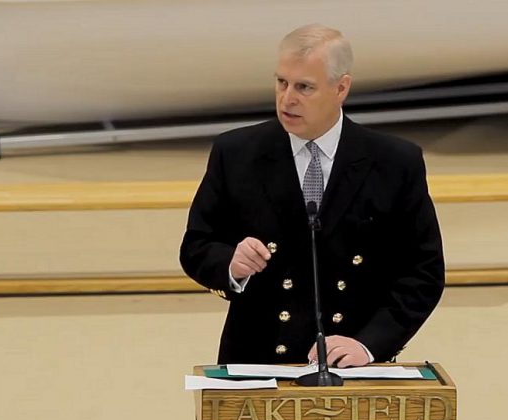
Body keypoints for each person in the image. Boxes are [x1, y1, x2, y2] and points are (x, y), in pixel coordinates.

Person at [180, 24, 444, 367]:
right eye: (281, 82)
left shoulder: (395, 162)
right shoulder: (236, 153)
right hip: (256, 362)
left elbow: (423, 273)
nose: (288, 98)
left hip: (352, 365)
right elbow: (197, 245)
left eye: (304, 87)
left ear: (341, 88)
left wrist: (368, 344)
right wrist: (231, 264)